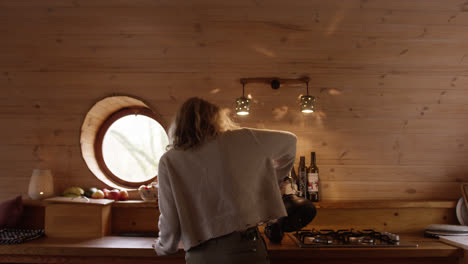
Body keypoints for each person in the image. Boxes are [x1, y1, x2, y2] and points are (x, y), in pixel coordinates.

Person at [153, 97, 297, 264]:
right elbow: (290, 142)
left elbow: (169, 218)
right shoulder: (245, 138)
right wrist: (271, 181)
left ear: (178, 124)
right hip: (245, 248)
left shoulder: (170, 160)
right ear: (217, 119)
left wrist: (164, 247)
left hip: (202, 255)